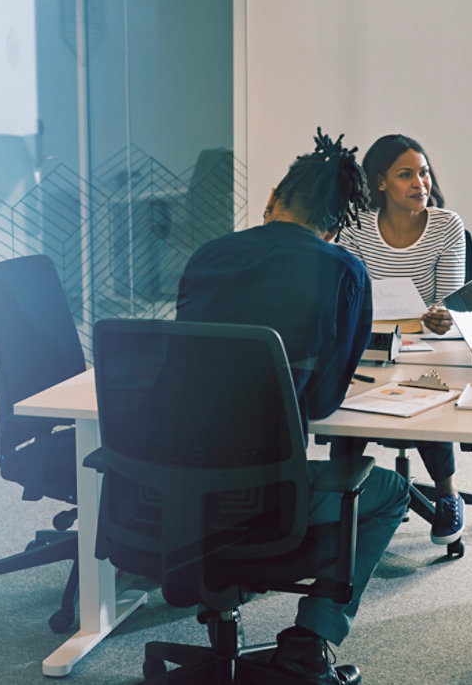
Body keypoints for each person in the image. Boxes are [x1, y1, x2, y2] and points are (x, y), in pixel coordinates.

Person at [175, 129, 409, 685]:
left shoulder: (209, 255)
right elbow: (325, 401)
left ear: (275, 194)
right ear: (336, 224)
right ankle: (308, 643)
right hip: (268, 498)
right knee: (390, 492)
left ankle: (221, 596)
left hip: (175, 487)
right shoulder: (342, 270)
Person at [334, 134, 468, 546]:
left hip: (429, 345)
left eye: (424, 172)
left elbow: (452, 302)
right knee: (350, 398)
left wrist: (444, 317)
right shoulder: (356, 227)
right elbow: (346, 292)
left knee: (428, 392)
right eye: (405, 174)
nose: (419, 183)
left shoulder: (447, 225)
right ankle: (341, 498)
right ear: (380, 183)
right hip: (370, 340)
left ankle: (447, 495)